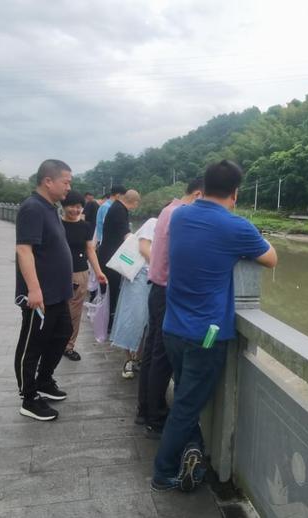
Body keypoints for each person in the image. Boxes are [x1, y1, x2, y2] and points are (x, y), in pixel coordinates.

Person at [151, 160, 277, 492]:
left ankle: (192, 450)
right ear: (236, 193)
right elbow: (271, 258)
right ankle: (163, 473)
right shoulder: (237, 227)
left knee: (185, 396)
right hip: (205, 337)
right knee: (186, 406)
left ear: (203, 187)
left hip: (172, 328)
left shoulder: (180, 215)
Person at [137, 177, 204, 438]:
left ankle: (145, 410)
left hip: (157, 290)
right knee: (162, 357)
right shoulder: (181, 214)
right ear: (198, 195)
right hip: (168, 294)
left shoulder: (168, 210)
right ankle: (155, 418)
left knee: (153, 353)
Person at [14, 159, 75, 421]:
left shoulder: (50, 208)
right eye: (66, 182)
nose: (69, 187)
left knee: (63, 333)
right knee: (32, 346)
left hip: (57, 292)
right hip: (40, 295)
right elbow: (23, 250)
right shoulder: (32, 208)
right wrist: (34, 290)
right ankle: (28, 398)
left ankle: (44, 380)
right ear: (48, 181)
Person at [61, 190, 108, 361]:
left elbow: (90, 250)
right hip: (58, 273)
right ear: (64, 205)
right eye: (72, 206)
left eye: (79, 207)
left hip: (79, 273)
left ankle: (68, 346)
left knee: (74, 312)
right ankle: (53, 343)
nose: (75, 210)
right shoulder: (56, 224)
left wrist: (99, 271)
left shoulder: (86, 226)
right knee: (57, 310)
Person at [109, 217, 158, 379]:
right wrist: (161, 269)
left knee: (150, 321)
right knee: (133, 318)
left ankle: (140, 358)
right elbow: (144, 248)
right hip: (140, 276)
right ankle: (129, 360)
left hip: (157, 280)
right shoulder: (153, 223)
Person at [97, 189, 141, 330]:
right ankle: (108, 323)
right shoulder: (120, 210)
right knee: (111, 291)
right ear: (134, 202)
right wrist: (141, 246)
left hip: (108, 253)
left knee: (109, 290)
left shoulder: (117, 207)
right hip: (110, 256)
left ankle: (107, 321)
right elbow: (125, 234)